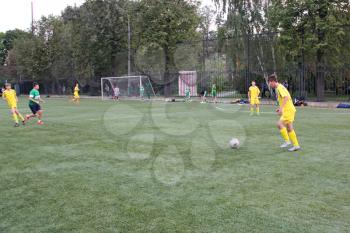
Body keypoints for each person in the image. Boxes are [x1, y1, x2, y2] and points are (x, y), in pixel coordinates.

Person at [268, 74, 301, 152]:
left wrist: (281, 109)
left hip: (288, 110)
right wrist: (280, 108)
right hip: (289, 109)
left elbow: (285, 97)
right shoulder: (279, 87)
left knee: (279, 124)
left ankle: (287, 141)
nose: (269, 84)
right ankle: (296, 145)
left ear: (272, 81)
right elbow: (285, 98)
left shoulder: (279, 87)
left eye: (269, 83)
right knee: (289, 128)